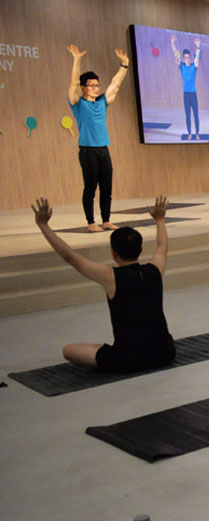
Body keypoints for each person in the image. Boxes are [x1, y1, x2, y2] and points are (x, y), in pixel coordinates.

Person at [32, 196, 175, 371]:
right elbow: (162, 246)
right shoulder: (155, 270)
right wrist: (160, 219)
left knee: (69, 350)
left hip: (129, 359)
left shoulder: (110, 276)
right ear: (140, 250)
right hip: (165, 353)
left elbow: (70, 257)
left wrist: (43, 225)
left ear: (114, 253)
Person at [67, 44, 130, 233]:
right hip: (87, 151)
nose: (96, 88)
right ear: (84, 88)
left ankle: (106, 220)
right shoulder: (78, 103)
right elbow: (73, 84)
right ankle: (90, 222)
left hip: (104, 149)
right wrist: (77, 60)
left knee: (107, 187)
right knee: (90, 188)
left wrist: (124, 65)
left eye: (97, 85)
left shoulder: (102, 102)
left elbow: (115, 84)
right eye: (92, 86)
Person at [170, 34, 201, 141]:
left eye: (188, 58)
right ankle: (189, 133)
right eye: (185, 58)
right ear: (184, 58)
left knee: (196, 115)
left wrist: (198, 46)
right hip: (186, 95)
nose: (187, 59)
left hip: (193, 94)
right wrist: (172, 43)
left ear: (190, 58)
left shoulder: (194, 66)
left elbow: (197, 59)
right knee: (187, 115)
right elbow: (175, 55)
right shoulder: (182, 66)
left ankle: (197, 133)